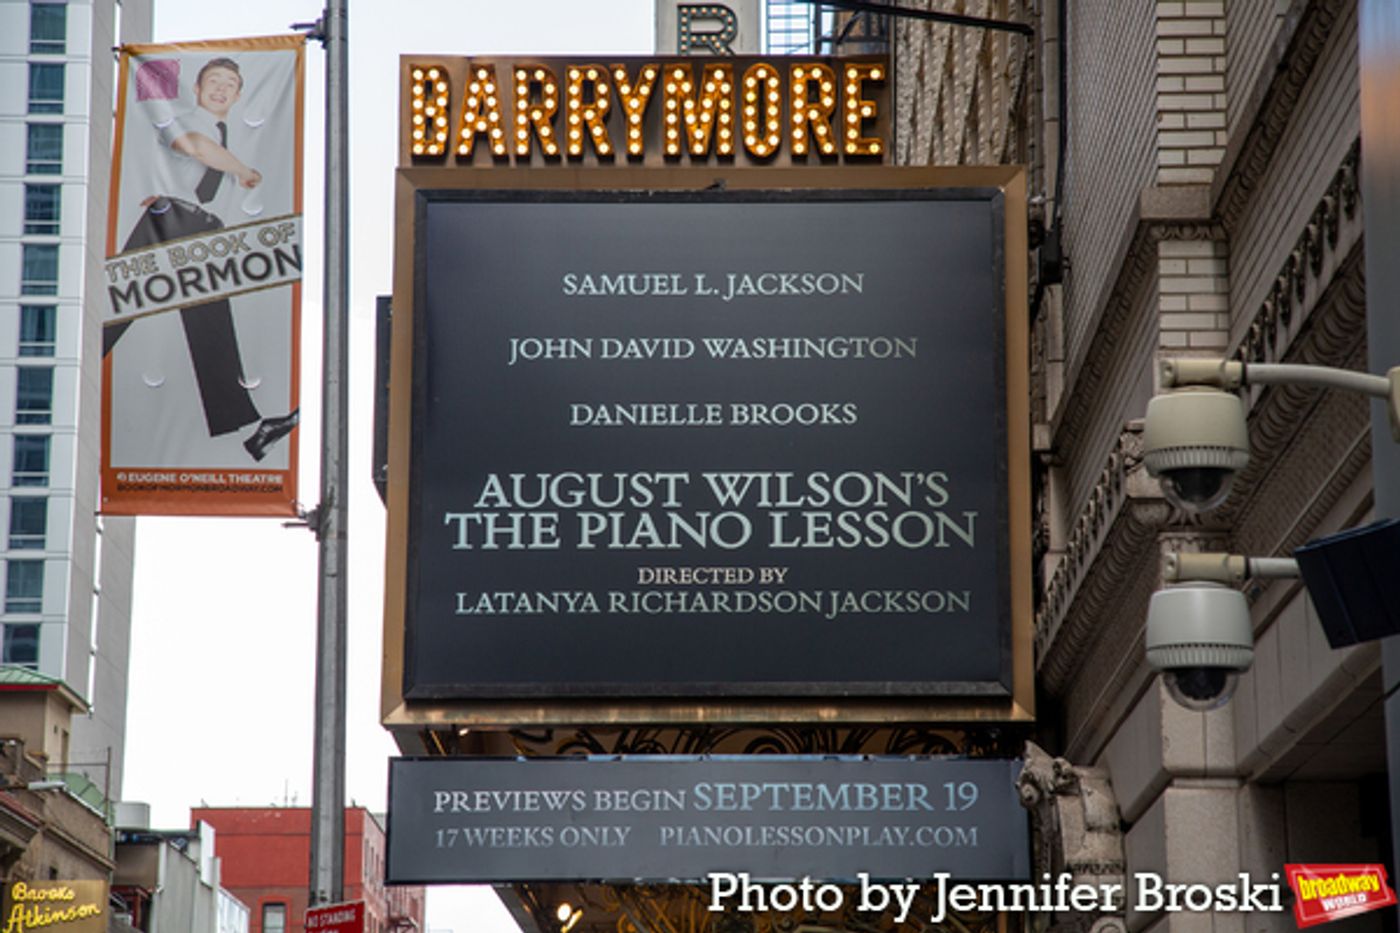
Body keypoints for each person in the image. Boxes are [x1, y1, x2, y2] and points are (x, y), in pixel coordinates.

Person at [106, 56, 297, 462]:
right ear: (196, 88)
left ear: (240, 94)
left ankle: (247, 423)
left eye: (230, 83)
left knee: (197, 314)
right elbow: (195, 147)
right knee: (122, 307)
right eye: (213, 80)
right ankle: (74, 368)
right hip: (174, 221)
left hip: (195, 224)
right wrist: (244, 170)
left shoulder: (222, 131)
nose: (221, 88)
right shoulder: (188, 122)